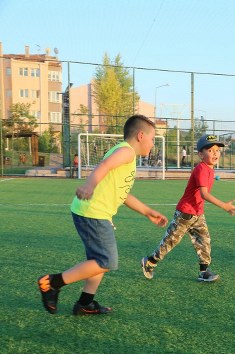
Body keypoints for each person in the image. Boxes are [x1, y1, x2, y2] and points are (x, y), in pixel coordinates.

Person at [36, 115, 169, 315]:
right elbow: (103, 166)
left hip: (95, 213)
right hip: (92, 213)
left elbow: (122, 194)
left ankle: (85, 303)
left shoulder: (125, 154)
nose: (152, 144)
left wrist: (147, 212)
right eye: (152, 138)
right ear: (141, 136)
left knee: (97, 262)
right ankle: (52, 283)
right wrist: (89, 184)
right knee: (106, 260)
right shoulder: (126, 152)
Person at [141, 134, 235, 282]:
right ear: (200, 154)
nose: (215, 153)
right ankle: (149, 262)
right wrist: (224, 205)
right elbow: (204, 194)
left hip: (198, 213)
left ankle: (204, 272)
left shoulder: (209, 169)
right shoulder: (201, 169)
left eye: (217, 150)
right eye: (210, 150)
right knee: (170, 241)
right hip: (185, 213)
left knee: (204, 241)